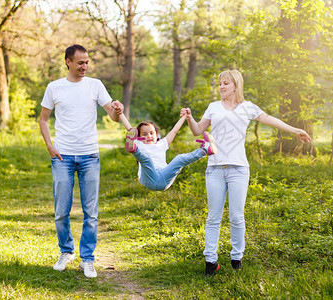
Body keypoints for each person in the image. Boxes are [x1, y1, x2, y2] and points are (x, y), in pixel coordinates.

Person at [181, 69, 312, 276]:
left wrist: (295, 130)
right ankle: (210, 261)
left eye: (226, 83)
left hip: (238, 169)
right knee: (213, 216)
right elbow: (198, 131)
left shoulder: (247, 107)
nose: (222, 87)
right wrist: (189, 118)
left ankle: (236, 257)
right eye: (220, 83)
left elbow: (270, 119)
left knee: (236, 215)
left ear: (235, 85)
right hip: (215, 168)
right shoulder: (213, 107)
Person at [39, 44, 124, 278]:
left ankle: (87, 259)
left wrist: (118, 110)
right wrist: (49, 144)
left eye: (87, 62)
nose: (84, 66)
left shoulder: (95, 85)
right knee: (61, 210)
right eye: (80, 62)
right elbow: (44, 119)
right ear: (68, 61)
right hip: (62, 156)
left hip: (89, 156)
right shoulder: (54, 87)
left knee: (91, 212)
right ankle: (66, 251)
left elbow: (113, 116)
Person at [124, 113, 216, 191]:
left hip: (164, 177)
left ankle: (204, 150)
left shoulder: (162, 144)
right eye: (144, 134)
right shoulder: (141, 144)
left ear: (156, 135)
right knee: (147, 159)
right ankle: (134, 149)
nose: (149, 136)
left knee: (179, 159)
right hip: (148, 178)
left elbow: (174, 131)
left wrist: (184, 117)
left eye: (151, 133)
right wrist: (120, 114)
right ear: (139, 137)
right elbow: (131, 130)